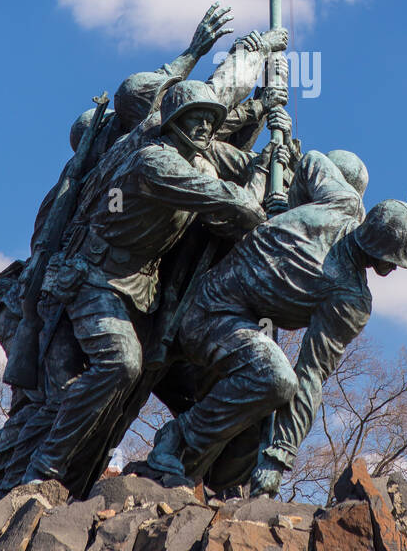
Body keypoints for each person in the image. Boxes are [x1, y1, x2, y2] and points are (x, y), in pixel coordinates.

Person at [21, 75, 292, 495]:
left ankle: (193, 468)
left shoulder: (197, 163)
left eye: (209, 119)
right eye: (194, 118)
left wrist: (266, 120)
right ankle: (46, 464)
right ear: (173, 122)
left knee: (186, 382)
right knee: (120, 364)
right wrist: (260, 175)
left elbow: (230, 217)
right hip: (99, 280)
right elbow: (234, 204)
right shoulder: (156, 162)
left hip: (144, 295)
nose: (205, 128)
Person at [147, 153, 407, 495]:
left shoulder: (344, 202)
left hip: (236, 322)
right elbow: (309, 376)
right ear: (381, 251)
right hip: (207, 311)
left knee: (258, 419)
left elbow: (311, 161)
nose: (396, 269)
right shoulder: (348, 296)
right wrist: (279, 459)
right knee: (276, 380)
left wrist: (279, 451)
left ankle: (208, 480)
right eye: (395, 260)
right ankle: (177, 439)